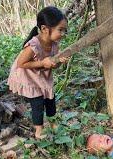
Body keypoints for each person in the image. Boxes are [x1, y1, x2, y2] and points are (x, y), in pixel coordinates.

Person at [7, 6, 69, 139]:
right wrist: (42, 63)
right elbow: (21, 64)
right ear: (44, 29)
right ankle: (39, 131)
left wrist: (58, 62)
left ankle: (53, 123)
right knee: (38, 104)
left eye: (65, 30)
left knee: (50, 100)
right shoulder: (33, 45)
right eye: (60, 30)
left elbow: (53, 66)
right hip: (28, 76)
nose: (63, 34)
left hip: (42, 76)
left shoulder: (54, 44)